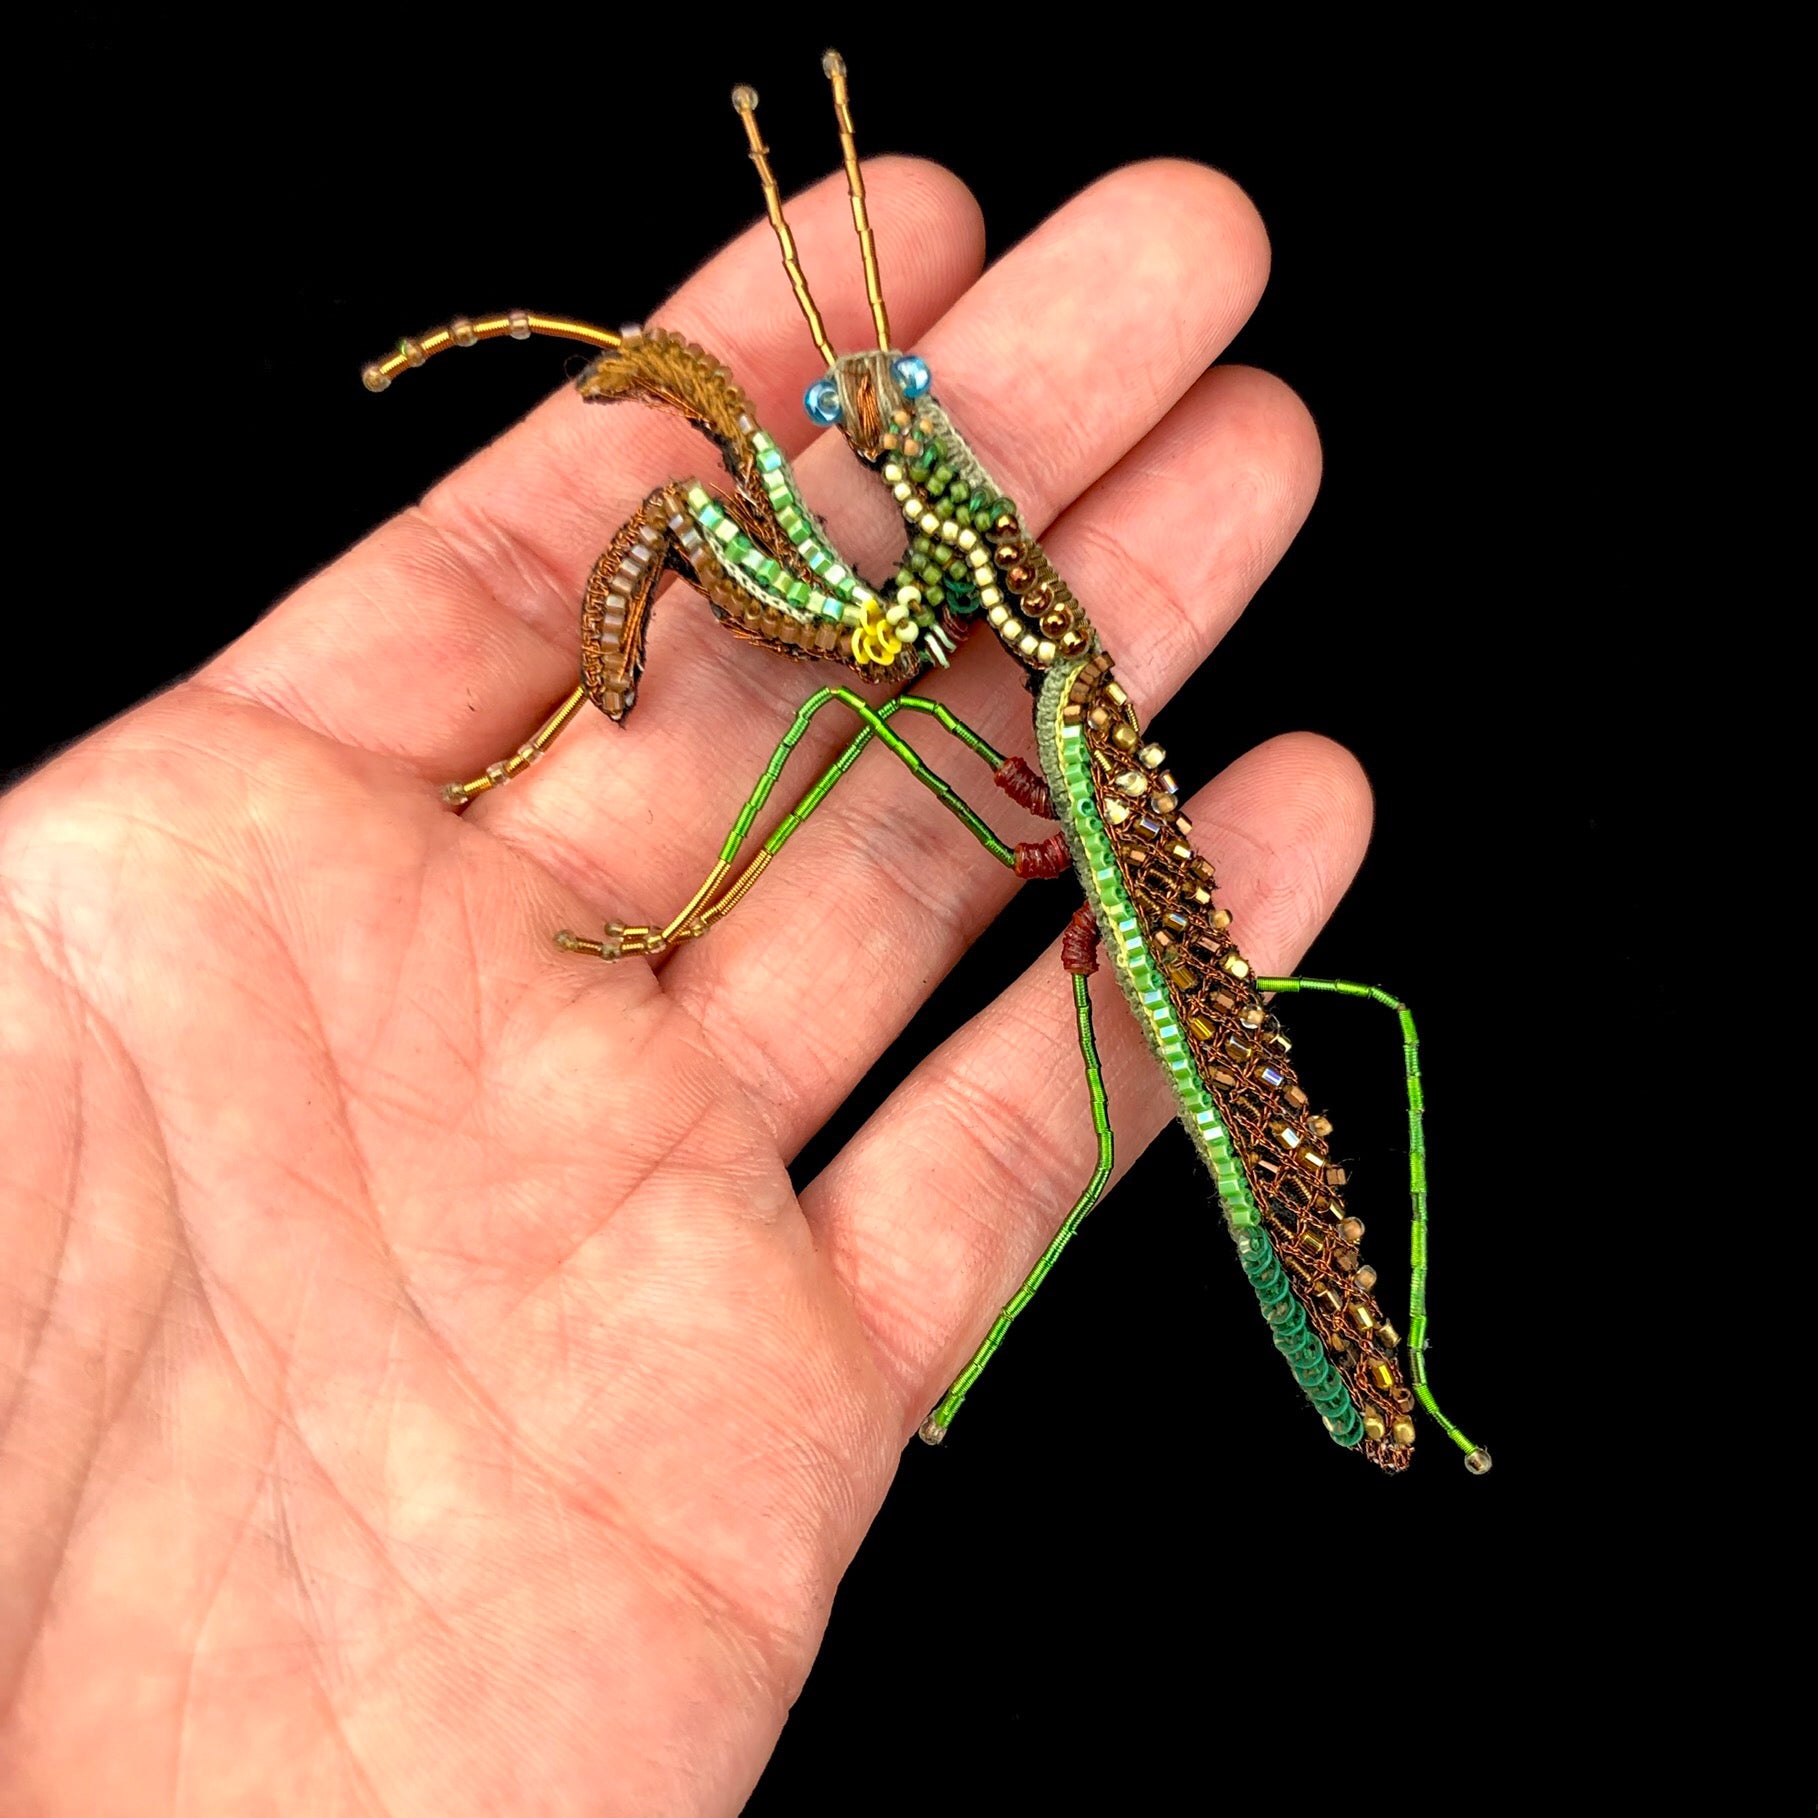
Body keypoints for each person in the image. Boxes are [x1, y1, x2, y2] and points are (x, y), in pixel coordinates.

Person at [0, 157, 1367, 1813]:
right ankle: (1362, 1376)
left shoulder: (1007, 620)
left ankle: (1369, 1368)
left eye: (884, 403)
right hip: (1054, 741)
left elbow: (860, 671)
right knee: (1130, 1025)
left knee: (1196, 1084)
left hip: (1091, 775)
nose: (869, 415)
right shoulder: (958, 557)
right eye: (858, 404)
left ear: (912, 435)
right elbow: (889, 645)